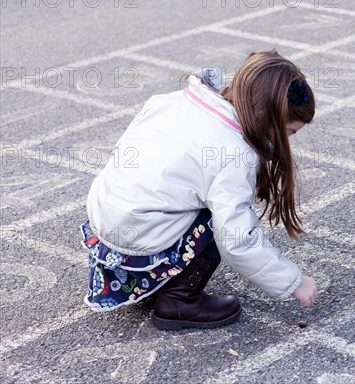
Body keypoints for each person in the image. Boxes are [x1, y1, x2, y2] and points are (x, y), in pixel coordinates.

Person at [80, 50, 318, 330]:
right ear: (268, 118)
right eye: (290, 132)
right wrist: (293, 282)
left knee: (191, 193)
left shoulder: (171, 101)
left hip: (107, 216)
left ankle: (154, 279)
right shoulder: (234, 154)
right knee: (219, 218)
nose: (288, 141)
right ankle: (179, 301)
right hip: (140, 232)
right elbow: (236, 239)